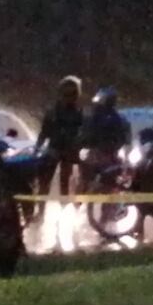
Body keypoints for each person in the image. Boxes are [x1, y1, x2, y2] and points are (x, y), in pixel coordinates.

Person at [33, 76, 85, 211]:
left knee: (65, 182)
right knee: (45, 182)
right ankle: (41, 210)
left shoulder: (78, 113)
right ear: (61, 94)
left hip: (68, 151)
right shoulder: (53, 112)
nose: (70, 97)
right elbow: (44, 132)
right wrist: (37, 148)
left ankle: (64, 209)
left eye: (73, 94)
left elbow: (82, 133)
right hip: (54, 150)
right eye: (67, 94)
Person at [79, 85, 131, 185]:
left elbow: (125, 134)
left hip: (108, 152)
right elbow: (85, 130)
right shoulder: (94, 115)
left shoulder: (117, 118)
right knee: (84, 171)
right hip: (96, 150)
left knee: (122, 172)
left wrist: (124, 144)